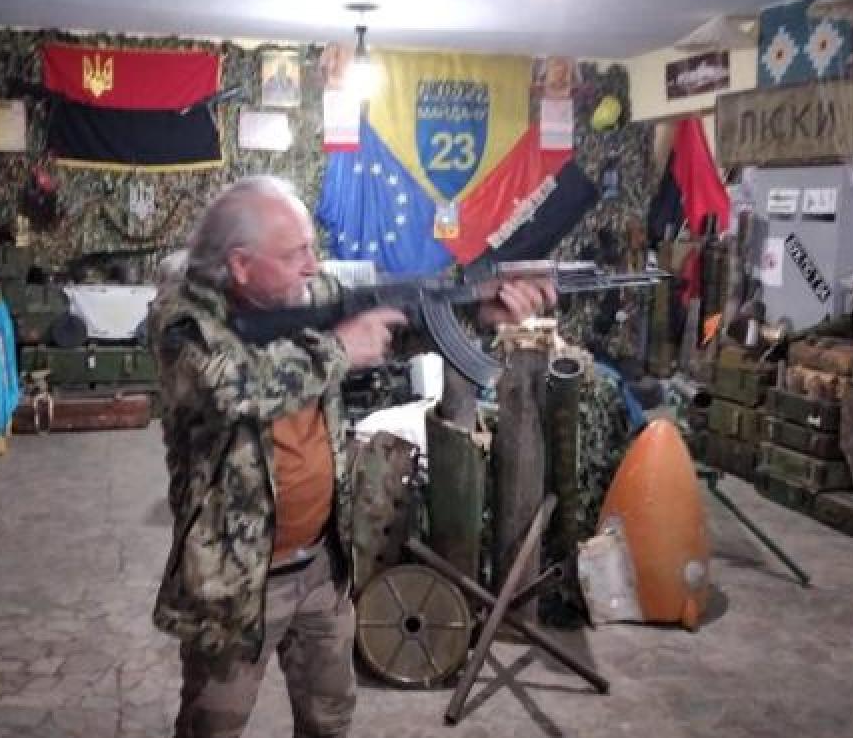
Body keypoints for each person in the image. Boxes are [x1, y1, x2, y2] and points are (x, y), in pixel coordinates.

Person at [145, 176, 553, 738]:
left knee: (330, 718)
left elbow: (394, 328)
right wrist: (340, 347)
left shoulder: (304, 294)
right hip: (235, 583)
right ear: (240, 265)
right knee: (212, 727)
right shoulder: (183, 321)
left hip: (322, 566)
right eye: (295, 254)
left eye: (311, 248)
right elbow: (232, 384)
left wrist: (474, 310)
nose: (313, 266)